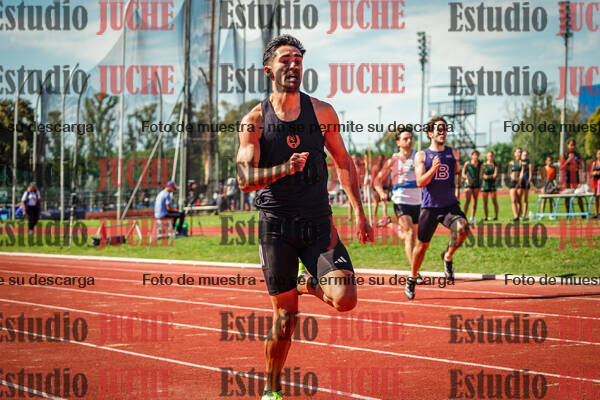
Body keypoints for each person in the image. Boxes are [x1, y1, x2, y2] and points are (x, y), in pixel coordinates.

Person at [235, 34, 373, 400]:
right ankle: (272, 389)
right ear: (269, 70)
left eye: (298, 59)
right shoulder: (254, 121)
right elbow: (244, 180)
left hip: (318, 223)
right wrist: (283, 168)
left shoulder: (322, 112)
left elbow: (343, 161)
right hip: (276, 226)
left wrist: (359, 212)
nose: (293, 64)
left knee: (345, 298)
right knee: (286, 319)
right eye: (285, 59)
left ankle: (305, 283)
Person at [406, 116, 468, 300]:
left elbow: (456, 173)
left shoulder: (453, 152)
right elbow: (420, 182)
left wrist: (457, 191)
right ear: (430, 133)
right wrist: (433, 169)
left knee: (462, 229)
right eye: (439, 129)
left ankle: (447, 257)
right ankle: (412, 278)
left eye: (445, 129)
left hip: (449, 205)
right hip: (430, 207)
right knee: (422, 246)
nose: (443, 132)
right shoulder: (422, 155)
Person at [374, 127, 422, 277]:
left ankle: (389, 223)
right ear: (398, 142)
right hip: (401, 201)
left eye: (411, 138)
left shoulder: (418, 157)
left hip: (418, 201)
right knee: (410, 234)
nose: (409, 141)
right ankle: (415, 273)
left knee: (410, 237)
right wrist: (381, 192)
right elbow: (377, 180)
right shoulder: (393, 160)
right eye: (405, 138)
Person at [559, 139, 585, 213]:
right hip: (567, 178)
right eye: (571, 145)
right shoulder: (564, 155)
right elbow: (561, 167)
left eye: (574, 145)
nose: (572, 147)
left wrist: (576, 164)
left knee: (578, 196)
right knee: (567, 197)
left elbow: (581, 166)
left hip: (575, 178)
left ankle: (583, 213)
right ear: (567, 145)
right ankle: (568, 214)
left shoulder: (577, 155)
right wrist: (568, 160)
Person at [462, 150, 482, 223]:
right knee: (468, 200)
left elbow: (481, 173)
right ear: (472, 156)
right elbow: (463, 174)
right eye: (474, 155)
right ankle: (463, 217)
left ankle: (472, 217)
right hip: (468, 184)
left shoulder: (481, 164)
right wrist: (468, 178)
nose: (476, 156)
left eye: (477, 155)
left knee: (475, 200)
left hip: (477, 184)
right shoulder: (467, 163)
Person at [481, 151, 498, 221]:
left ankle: (496, 216)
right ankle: (486, 217)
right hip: (485, 185)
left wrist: (487, 176)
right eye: (489, 155)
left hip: (493, 185)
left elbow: (495, 175)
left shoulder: (495, 165)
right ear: (487, 157)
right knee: (485, 202)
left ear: (493, 156)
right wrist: (490, 176)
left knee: (494, 201)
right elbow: (482, 175)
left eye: (491, 155)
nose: (490, 157)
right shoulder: (484, 165)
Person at [507, 147, 523, 221]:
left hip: (520, 182)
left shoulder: (522, 162)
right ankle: (516, 216)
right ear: (514, 153)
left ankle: (519, 215)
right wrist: (511, 176)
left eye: (520, 152)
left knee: (519, 200)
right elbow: (509, 172)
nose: (519, 153)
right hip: (513, 182)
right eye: (518, 152)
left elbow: (522, 172)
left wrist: (519, 180)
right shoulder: (511, 163)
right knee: (513, 200)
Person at [519, 150, 534, 220]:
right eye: (523, 155)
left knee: (525, 199)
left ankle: (524, 215)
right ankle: (520, 213)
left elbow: (530, 174)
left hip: (526, 182)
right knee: (518, 199)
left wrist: (529, 181)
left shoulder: (529, 164)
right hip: (519, 182)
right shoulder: (518, 162)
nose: (525, 156)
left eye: (526, 155)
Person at [591, 149, 600, 218]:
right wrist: (594, 173)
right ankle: (596, 213)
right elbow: (591, 173)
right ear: (596, 155)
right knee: (595, 197)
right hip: (595, 181)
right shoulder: (594, 163)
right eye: (599, 153)